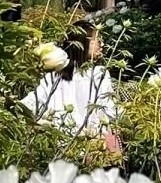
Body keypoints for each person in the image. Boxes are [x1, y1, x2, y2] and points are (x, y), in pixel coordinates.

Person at [22, 20, 120, 151]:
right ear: (83, 42)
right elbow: (111, 112)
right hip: (93, 147)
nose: (102, 44)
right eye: (97, 39)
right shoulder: (99, 74)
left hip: (60, 147)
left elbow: (29, 105)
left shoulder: (53, 76)